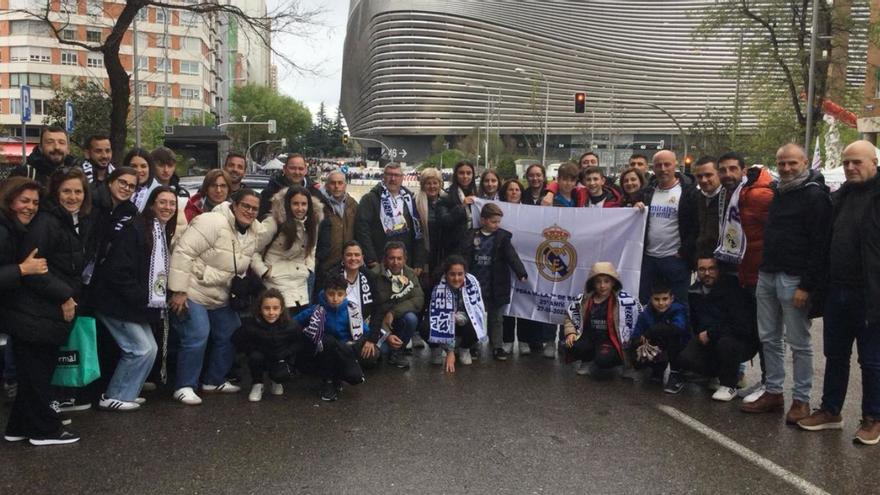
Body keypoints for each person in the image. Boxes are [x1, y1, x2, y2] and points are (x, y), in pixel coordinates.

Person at [797, 140, 880, 444]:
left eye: (857, 162)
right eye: (846, 162)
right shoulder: (840, 196)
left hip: (871, 296)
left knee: (871, 361)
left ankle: (873, 418)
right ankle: (831, 411)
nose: (850, 168)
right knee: (835, 355)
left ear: (874, 162)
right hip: (837, 291)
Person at [4, 167, 94, 445]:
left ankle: (19, 426)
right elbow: (36, 269)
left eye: (78, 191)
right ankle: (45, 430)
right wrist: (65, 296)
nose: (73, 196)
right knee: (38, 375)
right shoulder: (47, 222)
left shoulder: (63, 221)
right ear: (55, 193)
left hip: (39, 312)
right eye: (66, 190)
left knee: (34, 373)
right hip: (35, 312)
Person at [742, 144, 831, 423]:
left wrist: (807, 285)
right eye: (781, 164)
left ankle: (801, 400)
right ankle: (774, 391)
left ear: (805, 162)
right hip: (768, 274)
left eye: (792, 163)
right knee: (768, 337)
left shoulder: (815, 196)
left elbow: (820, 245)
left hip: (795, 279)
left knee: (799, 342)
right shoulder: (779, 191)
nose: (787, 168)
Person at [168, 189, 263, 405]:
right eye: (245, 206)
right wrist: (179, 291)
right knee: (197, 335)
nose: (249, 211)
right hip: (193, 289)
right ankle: (184, 386)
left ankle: (214, 380)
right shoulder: (212, 222)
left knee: (231, 331)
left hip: (220, 293)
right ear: (234, 205)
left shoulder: (253, 232)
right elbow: (184, 252)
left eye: (254, 208)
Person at [90, 186, 177, 411]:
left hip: (135, 303)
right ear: (151, 204)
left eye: (172, 203)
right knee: (139, 349)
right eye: (162, 202)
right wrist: (141, 296)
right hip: (116, 301)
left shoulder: (160, 231)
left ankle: (127, 392)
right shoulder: (135, 229)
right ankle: (113, 395)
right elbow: (118, 270)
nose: (168, 207)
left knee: (151, 349)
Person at [716, 152, 774, 400]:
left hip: (756, 272)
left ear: (743, 170)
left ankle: (769, 384)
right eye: (723, 170)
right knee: (736, 326)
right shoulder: (726, 194)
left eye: (732, 169)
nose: (727, 174)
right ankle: (731, 380)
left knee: (766, 334)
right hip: (734, 270)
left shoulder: (759, 194)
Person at [0, 177, 49, 435]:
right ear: (10, 201)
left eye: (35, 202)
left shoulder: (14, 228)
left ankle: (18, 426)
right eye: (24, 201)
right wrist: (22, 269)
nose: (30, 207)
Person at [679, 256, 759, 401]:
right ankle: (713, 375)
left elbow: (740, 325)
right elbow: (695, 322)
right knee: (686, 357)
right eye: (702, 269)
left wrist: (711, 333)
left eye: (711, 269)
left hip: (738, 340)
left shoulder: (733, 289)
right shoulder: (693, 292)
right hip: (710, 339)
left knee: (726, 343)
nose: (707, 273)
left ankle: (729, 385)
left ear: (719, 270)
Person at [459, 203, 527, 361]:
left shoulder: (502, 238)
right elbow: (463, 255)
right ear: (483, 220)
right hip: (475, 285)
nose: (497, 225)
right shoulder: (471, 236)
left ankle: (497, 346)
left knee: (496, 318)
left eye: (498, 222)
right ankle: (473, 345)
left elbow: (512, 257)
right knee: (475, 316)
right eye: (493, 221)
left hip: (496, 285)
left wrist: (520, 272)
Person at [638, 150, 699, 313]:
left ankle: (679, 337)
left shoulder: (688, 192)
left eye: (667, 164)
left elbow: (696, 224)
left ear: (676, 165)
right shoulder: (647, 192)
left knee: (679, 306)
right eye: (658, 165)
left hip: (675, 259)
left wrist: (685, 250)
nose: (663, 169)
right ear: (653, 168)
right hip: (649, 260)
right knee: (646, 304)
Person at [294, 273, 368, 401]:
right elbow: (294, 322)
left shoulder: (352, 311)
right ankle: (327, 382)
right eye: (331, 294)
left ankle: (337, 378)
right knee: (327, 341)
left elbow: (365, 331)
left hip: (344, 351)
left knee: (355, 377)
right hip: (323, 353)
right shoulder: (317, 310)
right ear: (325, 293)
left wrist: (369, 342)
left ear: (345, 294)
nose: (335, 298)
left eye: (339, 294)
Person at [563, 262, 642, 377]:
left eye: (606, 281)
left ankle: (626, 364)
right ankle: (587, 361)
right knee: (571, 345)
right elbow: (569, 316)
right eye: (598, 281)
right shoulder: (583, 299)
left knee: (603, 360)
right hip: (589, 338)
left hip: (610, 341)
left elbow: (637, 321)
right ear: (592, 283)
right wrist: (570, 332)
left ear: (613, 282)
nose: (602, 285)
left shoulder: (626, 302)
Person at [252, 186, 320, 313]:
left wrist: (309, 268)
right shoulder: (273, 223)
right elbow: (252, 249)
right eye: (295, 203)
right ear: (288, 204)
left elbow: (312, 248)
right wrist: (264, 272)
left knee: (299, 326)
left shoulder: (312, 223)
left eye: (304, 204)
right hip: (275, 281)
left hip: (300, 281)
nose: (300, 208)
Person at [355, 163, 425, 271]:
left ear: (402, 178)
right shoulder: (370, 199)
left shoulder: (410, 200)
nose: (393, 179)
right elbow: (362, 231)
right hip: (379, 262)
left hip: (405, 263)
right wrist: (371, 259)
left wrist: (418, 262)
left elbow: (418, 232)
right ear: (383, 176)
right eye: (389, 175)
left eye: (397, 175)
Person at [240, 289, 302, 402]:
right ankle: (257, 384)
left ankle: (277, 381)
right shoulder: (251, 325)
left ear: (282, 309)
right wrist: (253, 350)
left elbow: (298, 343)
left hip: (280, 357)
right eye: (266, 308)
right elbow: (241, 341)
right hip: (261, 356)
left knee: (283, 375)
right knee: (255, 357)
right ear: (260, 308)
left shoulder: (291, 325)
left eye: (275, 308)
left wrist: (286, 354)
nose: (271, 313)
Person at [428, 255, 486, 373]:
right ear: (446, 274)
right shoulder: (437, 285)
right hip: (444, 324)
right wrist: (450, 351)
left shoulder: (472, 283)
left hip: (462, 326)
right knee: (426, 325)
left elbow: (477, 313)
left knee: (474, 325)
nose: (456, 278)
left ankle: (464, 348)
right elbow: (435, 316)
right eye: (452, 274)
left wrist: (461, 317)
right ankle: (439, 348)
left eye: (460, 274)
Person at [371, 241, 424, 370]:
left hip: (397, 319)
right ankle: (386, 347)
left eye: (399, 258)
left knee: (411, 318)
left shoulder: (410, 274)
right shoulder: (374, 275)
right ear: (384, 259)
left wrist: (393, 312)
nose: (396, 262)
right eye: (392, 258)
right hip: (378, 324)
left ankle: (397, 352)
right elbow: (371, 310)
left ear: (405, 259)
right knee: (378, 355)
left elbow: (418, 299)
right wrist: (387, 334)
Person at [630, 284, 690, 394]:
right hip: (657, 347)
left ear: (671, 299)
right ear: (651, 299)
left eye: (665, 299)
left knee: (673, 335)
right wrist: (640, 343)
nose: (661, 303)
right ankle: (657, 368)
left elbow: (678, 328)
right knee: (635, 356)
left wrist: (652, 331)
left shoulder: (678, 310)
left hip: (680, 348)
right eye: (656, 299)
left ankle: (676, 373)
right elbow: (636, 336)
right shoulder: (645, 314)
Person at [315, 170, 358, 292]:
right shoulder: (319, 204)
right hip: (325, 263)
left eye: (340, 183)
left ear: (345, 185)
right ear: (327, 185)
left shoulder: (352, 204)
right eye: (333, 183)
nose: (337, 186)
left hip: (347, 262)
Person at [10, 125, 79, 185]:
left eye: (61, 143)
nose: (56, 147)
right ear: (40, 147)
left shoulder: (78, 175)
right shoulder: (24, 174)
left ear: (68, 149)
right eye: (50, 142)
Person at [437, 160, 478, 255]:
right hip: (454, 248)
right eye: (461, 173)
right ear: (455, 175)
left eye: (469, 173)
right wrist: (462, 207)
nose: (465, 176)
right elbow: (444, 221)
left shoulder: (477, 195)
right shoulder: (446, 196)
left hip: (474, 247)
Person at [259, 153, 316, 219]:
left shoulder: (314, 191)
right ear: (284, 169)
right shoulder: (270, 193)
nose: (297, 172)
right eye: (292, 168)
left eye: (300, 169)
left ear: (306, 170)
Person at [693, 156, 723, 259]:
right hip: (701, 259)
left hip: (723, 260)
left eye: (708, 175)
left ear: (719, 174)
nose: (704, 180)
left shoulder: (730, 198)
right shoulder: (694, 197)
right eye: (699, 176)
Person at [125, 148, 161, 212]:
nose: (139, 170)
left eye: (143, 166)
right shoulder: (119, 189)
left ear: (150, 168)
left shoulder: (159, 192)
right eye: (133, 166)